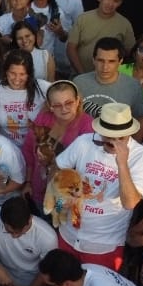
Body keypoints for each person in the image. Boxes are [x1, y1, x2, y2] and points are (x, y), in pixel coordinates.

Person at [54, 102, 143, 269]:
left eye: (120, 137)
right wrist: (61, 195)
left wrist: (122, 164)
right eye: (107, 135)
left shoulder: (142, 156)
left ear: (129, 134)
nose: (113, 141)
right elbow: (58, 168)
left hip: (104, 243)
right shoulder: (84, 142)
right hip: (69, 233)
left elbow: (130, 203)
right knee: (62, 283)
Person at [22, 80, 95, 211]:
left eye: (69, 103)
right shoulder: (44, 118)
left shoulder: (87, 125)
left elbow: (87, 166)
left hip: (66, 197)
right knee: (42, 221)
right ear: (50, 106)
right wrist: (28, 183)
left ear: (77, 100)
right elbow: (28, 150)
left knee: (58, 220)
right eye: (57, 105)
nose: (64, 109)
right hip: (39, 192)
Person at [66, 0, 135, 75]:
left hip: (109, 79)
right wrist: (81, 74)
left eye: (115, 1)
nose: (110, 4)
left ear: (120, 3)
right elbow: (71, 48)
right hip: (80, 75)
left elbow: (131, 52)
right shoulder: (83, 19)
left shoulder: (125, 24)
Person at [73, 38, 143, 118]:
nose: (105, 67)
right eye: (100, 60)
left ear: (120, 62)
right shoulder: (78, 83)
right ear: (93, 60)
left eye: (111, 61)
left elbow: (140, 120)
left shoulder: (133, 87)